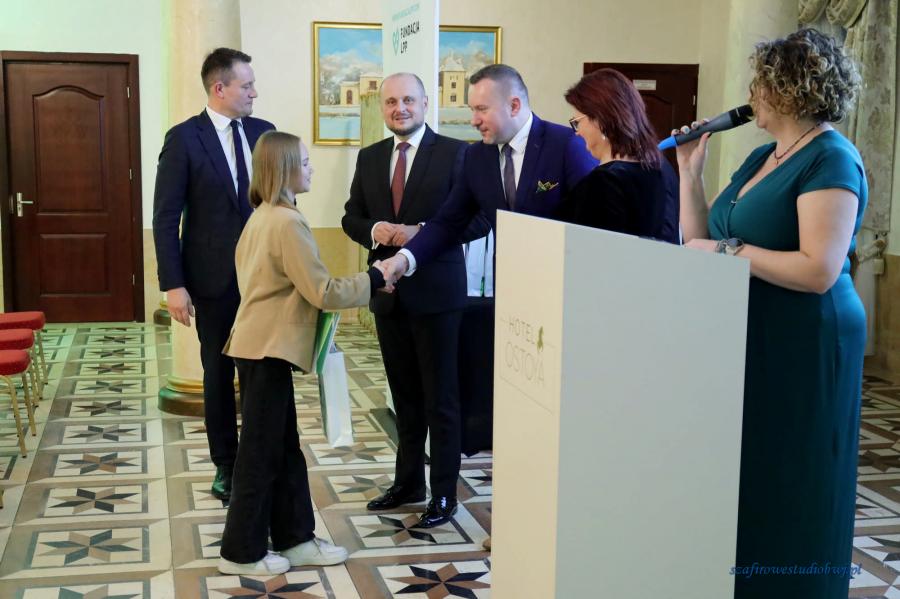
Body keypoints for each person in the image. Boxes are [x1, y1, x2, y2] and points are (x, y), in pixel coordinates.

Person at [676, 28, 866, 598]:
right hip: (753, 330)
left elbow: (818, 269)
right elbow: (699, 239)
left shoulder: (832, 157)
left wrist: (728, 252)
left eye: (758, 82)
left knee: (799, 470)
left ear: (788, 87)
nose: (750, 94)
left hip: (808, 336)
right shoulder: (765, 155)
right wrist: (689, 173)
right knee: (755, 468)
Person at [377, 64, 598, 551]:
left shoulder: (564, 145)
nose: (473, 119)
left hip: (570, 302)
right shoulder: (477, 158)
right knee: (521, 412)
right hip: (518, 304)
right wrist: (404, 261)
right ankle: (522, 521)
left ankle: (568, 524)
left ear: (514, 105)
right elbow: (448, 223)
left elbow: (597, 221)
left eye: (481, 109)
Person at [218, 131, 387, 575]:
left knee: (283, 448)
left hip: (259, 346)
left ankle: (295, 539)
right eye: (306, 162)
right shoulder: (286, 222)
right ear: (285, 169)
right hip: (266, 349)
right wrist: (375, 277)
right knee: (260, 453)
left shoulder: (263, 216)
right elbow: (322, 291)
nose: (312, 169)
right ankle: (240, 552)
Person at [341, 73, 489, 528]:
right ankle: (408, 483)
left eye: (408, 99)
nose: (399, 108)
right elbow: (351, 217)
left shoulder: (457, 153)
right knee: (404, 399)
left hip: (438, 296)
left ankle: (443, 494)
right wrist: (374, 230)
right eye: (391, 101)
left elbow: (480, 218)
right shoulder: (370, 157)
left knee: (441, 400)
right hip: (388, 297)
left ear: (426, 103)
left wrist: (423, 233)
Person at [153, 48, 274, 502]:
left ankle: (262, 459)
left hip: (264, 280)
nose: (254, 92)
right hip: (212, 282)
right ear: (219, 88)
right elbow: (166, 217)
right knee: (218, 374)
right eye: (247, 85)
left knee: (265, 374)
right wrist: (174, 285)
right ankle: (226, 463)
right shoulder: (185, 139)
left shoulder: (264, 133)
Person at [557, 68, 679, 243]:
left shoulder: (604, 182)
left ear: (600, 120)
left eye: (577, 122)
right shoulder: (663, 168)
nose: (577, 131)